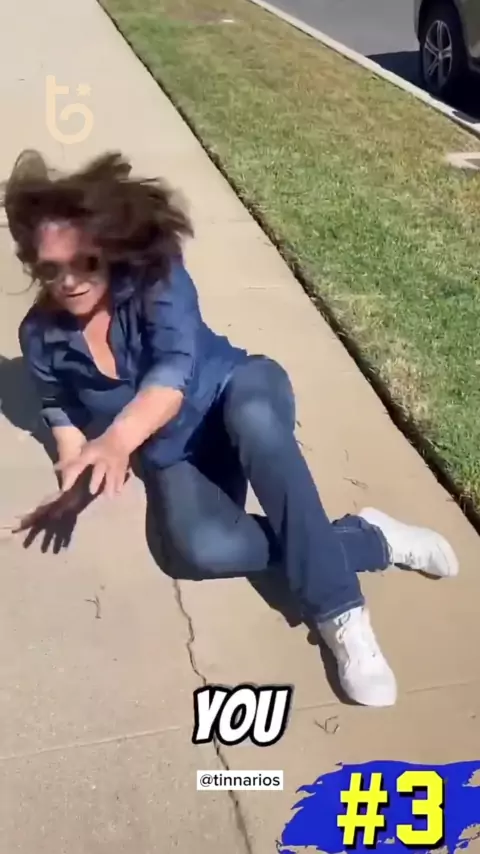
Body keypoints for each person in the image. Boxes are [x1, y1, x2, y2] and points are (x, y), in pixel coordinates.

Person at [3, 149, 459, 709]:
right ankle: (370, 538)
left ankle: (340, 609)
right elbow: (61, 411)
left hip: (232, 390)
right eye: (51, 270)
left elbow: (173, 371)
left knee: (259, 421)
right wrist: (71, 492)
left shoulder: (154, 277)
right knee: (196, 551)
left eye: (85, 262)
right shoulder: (41, 337)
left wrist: (118, 439)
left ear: (105, 246)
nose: (70, 281)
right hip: (173, 451)